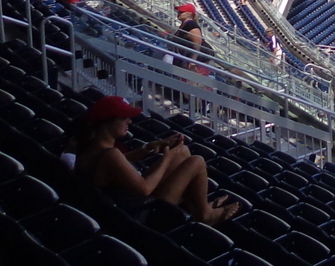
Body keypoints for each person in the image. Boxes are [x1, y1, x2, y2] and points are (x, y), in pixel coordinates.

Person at [69, 96, 239, 224]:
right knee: (197, 161)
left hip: (126, 204)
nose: (130, 121)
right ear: (107, 123)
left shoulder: (91, 148)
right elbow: (145, 189)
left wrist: (148, 148)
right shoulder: (110, 154)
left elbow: (115, 166)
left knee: (183, 152)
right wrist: (167, 158)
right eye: (124, 118)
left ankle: (198, 207)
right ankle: (205, 215)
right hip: (142, 214)